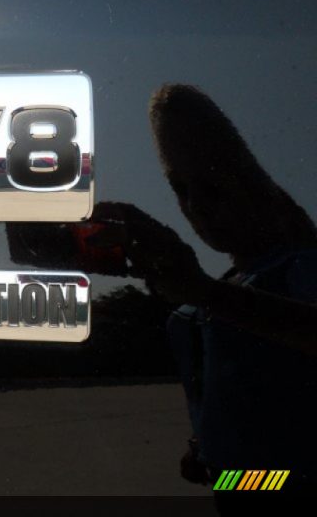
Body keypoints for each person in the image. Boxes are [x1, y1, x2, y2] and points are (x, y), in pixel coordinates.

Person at [93, 84, 317, 496]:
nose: (195, 205)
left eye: (212, 187)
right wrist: (208, 454)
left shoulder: (299, 266)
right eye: (180, 189)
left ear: (251, 184)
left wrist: (200, 290)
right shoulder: (224, 289)